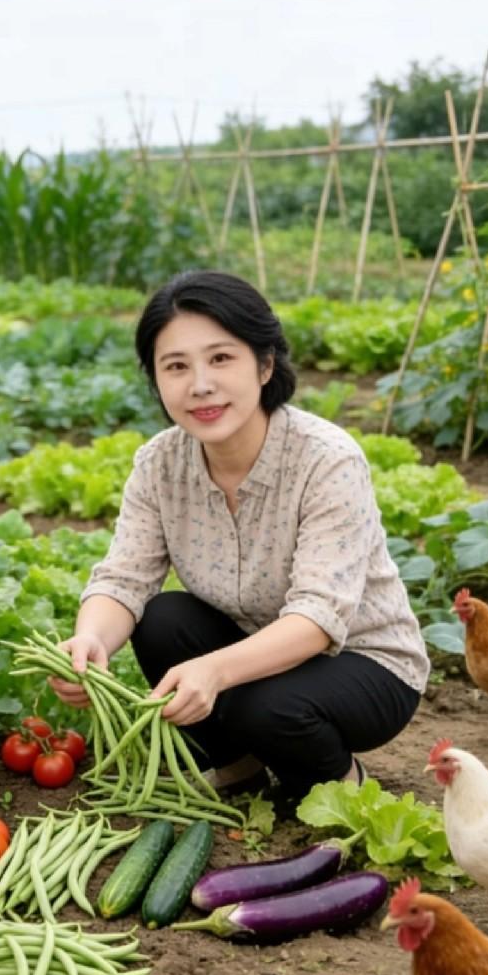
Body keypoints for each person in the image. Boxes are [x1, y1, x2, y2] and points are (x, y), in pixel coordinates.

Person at [49, 269, 429, 801]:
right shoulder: (160, 464)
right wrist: (90, 639)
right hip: (255, 652)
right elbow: (124, 579)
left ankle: (346, 790)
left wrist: (214, 670)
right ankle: (236, 766)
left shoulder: (327, 460)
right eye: (176, 366)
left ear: (265, 363)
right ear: (156, 380)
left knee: (263, 706)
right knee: (161, 619)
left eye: (221, 358)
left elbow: (318, 620)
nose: (199, 384)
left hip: (365, 665)